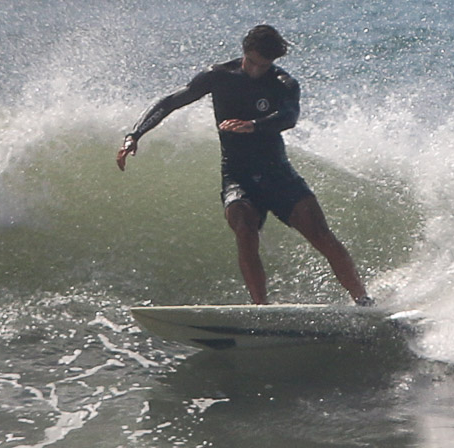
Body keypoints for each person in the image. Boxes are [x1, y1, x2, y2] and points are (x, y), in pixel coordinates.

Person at [116, 24, 372, 306]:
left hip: (278, 174)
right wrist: (134, 135)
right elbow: (171, 101)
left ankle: (363, 301)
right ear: (244, 52)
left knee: (320, 234)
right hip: (237, 174)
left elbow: (289, 116)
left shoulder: (283, 83)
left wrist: (253, 125)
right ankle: (260, 308)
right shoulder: (219, 76)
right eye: (250, 62)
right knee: (243, 226)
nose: (254, 70)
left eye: (262, 65)